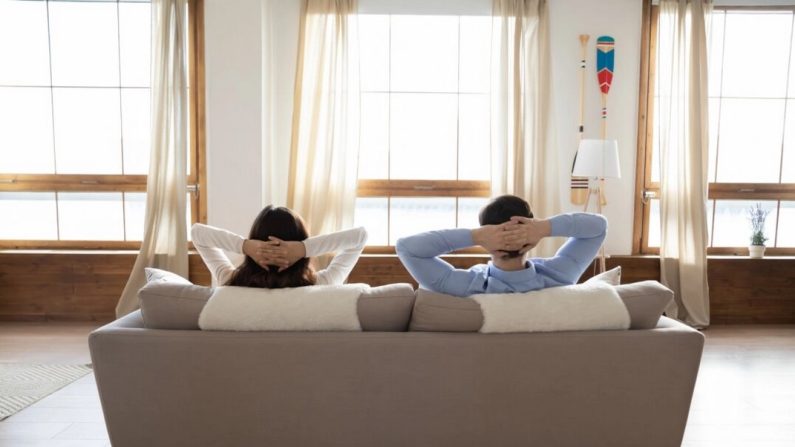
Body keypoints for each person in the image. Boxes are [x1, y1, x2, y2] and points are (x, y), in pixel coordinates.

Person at [395, 195, 607, 297]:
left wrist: (475, 236)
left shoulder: (465, 286)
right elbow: (598, 227)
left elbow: (406, 247)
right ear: (530, 235)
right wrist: (543, 228)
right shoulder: (559, 276)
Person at [191, 205, 367, 288]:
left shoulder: (229, 280)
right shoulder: (323, 284)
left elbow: (197, 233)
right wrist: (303, 249)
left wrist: (245, 246)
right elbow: (360, 237)